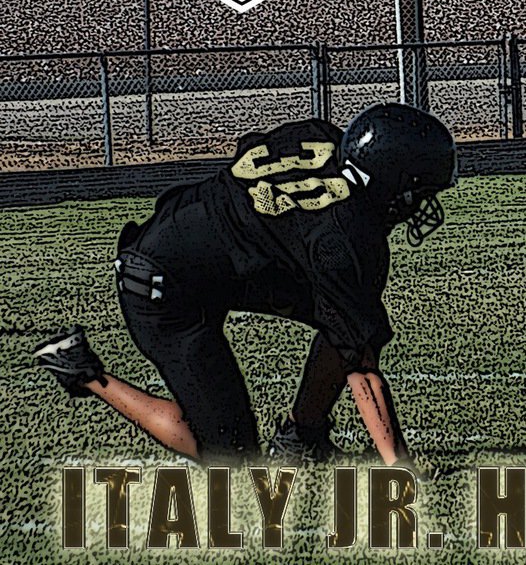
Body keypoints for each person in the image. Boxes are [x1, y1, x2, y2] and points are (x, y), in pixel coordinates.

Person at [33, 102, 457, 465]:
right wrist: (400, 466)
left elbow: (251, 147)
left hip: (221, 254)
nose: (423, 205)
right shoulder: (339, 239)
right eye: (421, 193)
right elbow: (363, 374)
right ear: (393, 187)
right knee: (231, 452)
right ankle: (84, 371)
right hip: (163, 281)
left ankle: (301, 438)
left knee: (350, 322)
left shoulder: (318, 137)